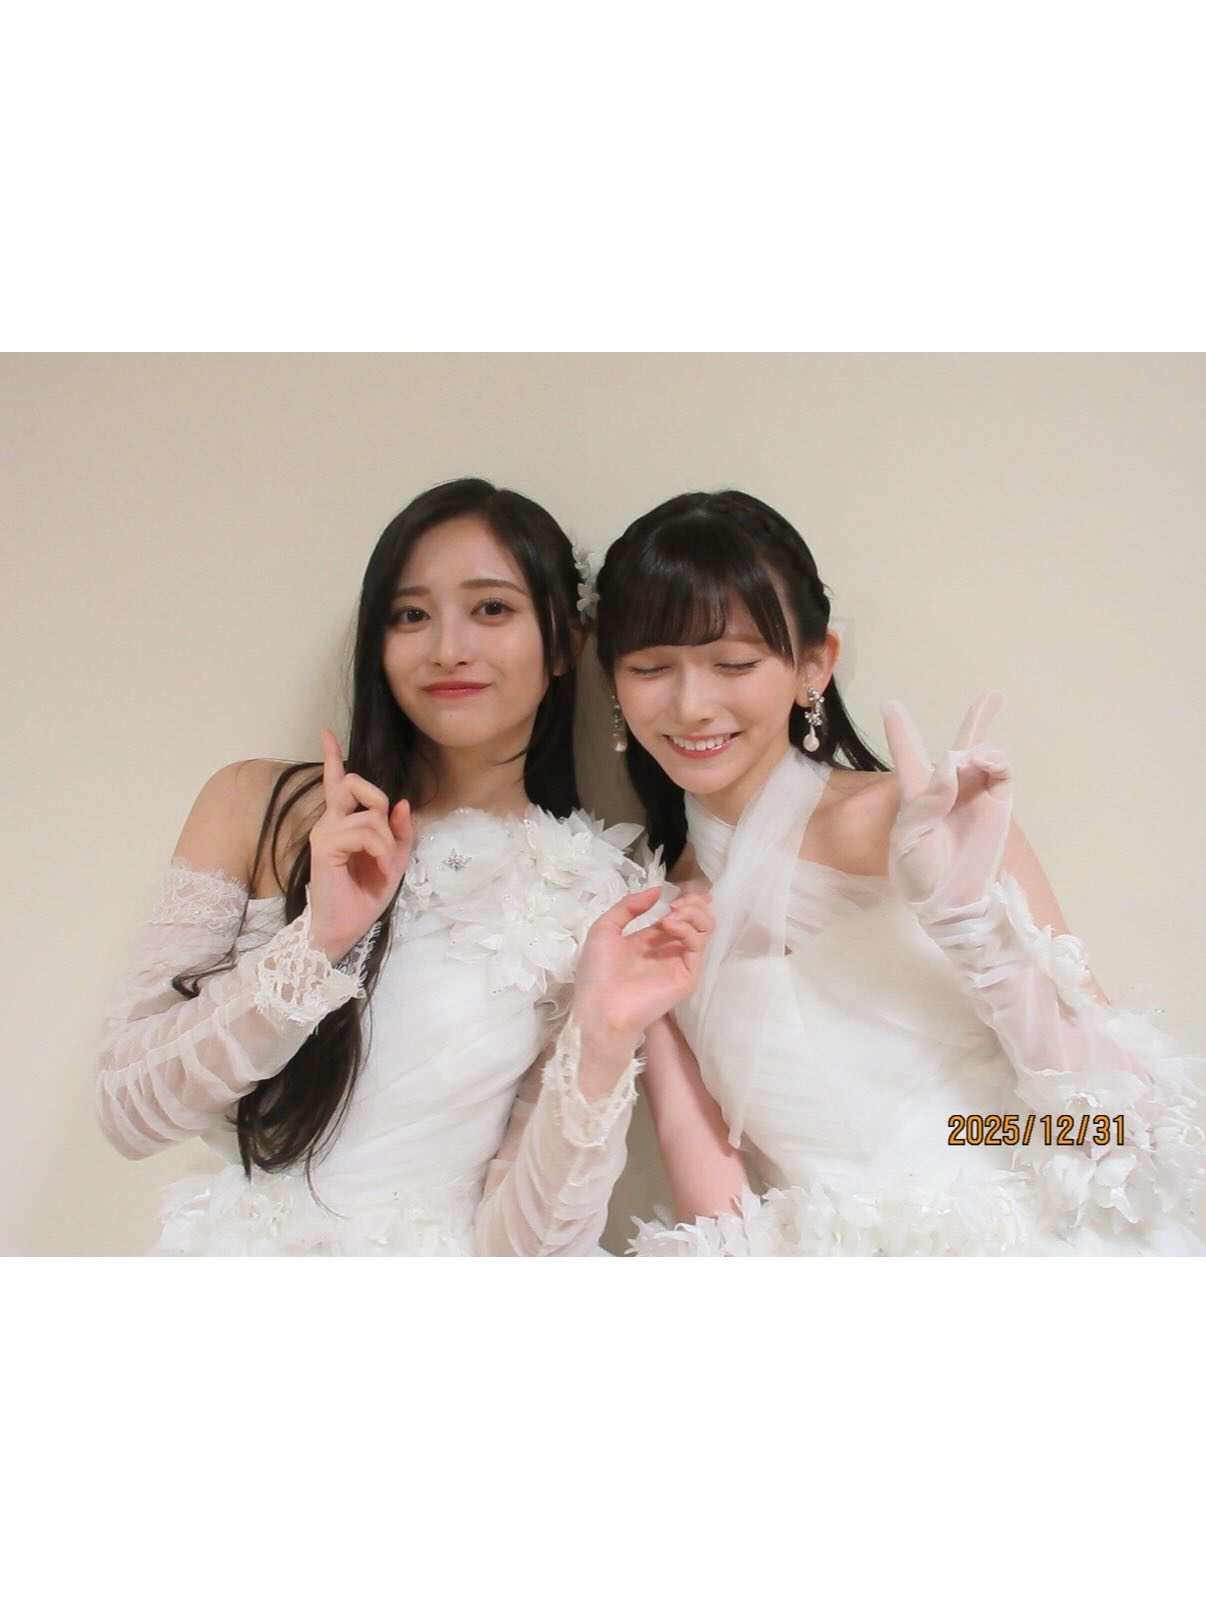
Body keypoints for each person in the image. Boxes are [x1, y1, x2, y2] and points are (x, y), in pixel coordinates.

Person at [94, 477, 713, 1255]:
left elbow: (527, 1255)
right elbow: (128, 1114)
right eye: (410, 615)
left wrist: (604, 1035)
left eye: (492, 609)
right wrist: (318, 941)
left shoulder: (602, 898)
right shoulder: (259, 806)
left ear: (565, 643)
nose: (447, 647)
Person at [593, 489, 1206, 1255]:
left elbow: (1126, 1127)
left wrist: (974, 929)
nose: (691, 705)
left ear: (815, 664)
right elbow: (715, 1215)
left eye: (735, 663)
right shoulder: (647, 917)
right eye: (652, 666)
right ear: (613, 683)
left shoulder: (928, 820)